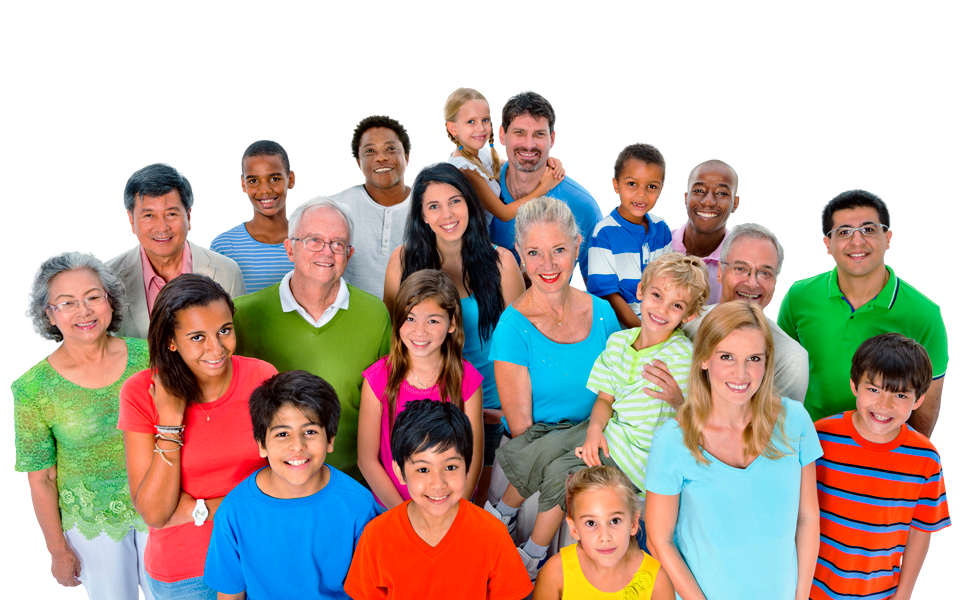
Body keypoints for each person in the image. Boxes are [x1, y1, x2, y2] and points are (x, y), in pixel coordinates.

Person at [492, 253, 709, 577]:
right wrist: (594, 431)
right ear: (641, 291)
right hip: (610, 435)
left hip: (636, 458)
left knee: (563, 475)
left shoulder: (682, 356)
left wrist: (678, 400)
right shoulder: (619, 342)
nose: (662, 310)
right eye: (657, 296)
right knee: (546, 443)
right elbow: (605, 398)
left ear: (688, 314)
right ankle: (500, 515)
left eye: (676, 305)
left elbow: (703, 419)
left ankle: (531, 557)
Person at [645, 302, 822, 600]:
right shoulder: (672, 440)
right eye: (726, 357)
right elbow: (659, 540)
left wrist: (800, 596)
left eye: (754, 358)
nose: (741, 374)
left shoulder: (795, 420)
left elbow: (807, 518)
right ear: (704, 359)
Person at [118, 274, 278, 600]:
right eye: (197, 337)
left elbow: (285, 478)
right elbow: (155, 513)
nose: (216, 348)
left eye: (224, 330)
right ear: (171, 341)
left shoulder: (262, 377)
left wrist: (199, 509)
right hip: (188, 572)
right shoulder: (141, 392)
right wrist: (170, 423)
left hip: (262, 554)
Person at [484, 197, 620, 564]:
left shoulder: (603, 314)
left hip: (597, 466)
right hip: (532, 474)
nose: (547, 265)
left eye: (558, 249)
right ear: (519, 253)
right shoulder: (513, 329)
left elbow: (620, 395)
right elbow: (526, 434)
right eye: (534, 253)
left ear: (577, 245)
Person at [14, 250, 153, 599]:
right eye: (67, 303)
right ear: (49, 313)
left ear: (110, 300)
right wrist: (57, 550)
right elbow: (42, 478)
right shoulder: (32, 388)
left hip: (160, 504)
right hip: (93, 523)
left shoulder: (150, 358)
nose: (84, 311)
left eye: (93, 297)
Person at [383, 162, 524, 505]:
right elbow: (394, 341)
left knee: (482, 509)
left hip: (492, 411)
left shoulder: (501, 263)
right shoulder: (403, 262)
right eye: (434, 206)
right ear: (422, 215)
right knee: (434, 507)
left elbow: (523, 346)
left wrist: (509, 411)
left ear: (470, 204)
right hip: (424, 411)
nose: (447, 214)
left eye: (455, 201)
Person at [232, 197, 391, 481]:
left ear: (349, 255)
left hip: (354, 484)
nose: (327, 252)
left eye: (338, 244)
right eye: (314, 240)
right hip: (269, 484)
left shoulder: (375, 314)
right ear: (289, 248)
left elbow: (390, 406)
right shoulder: (242, 315)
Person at [777, 189, 947, 436]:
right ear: (828, 244)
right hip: (807, 440)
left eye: (868, 229)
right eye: (844, 232)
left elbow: (926, 401)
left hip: (880, 448)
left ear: (888, 237)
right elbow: (780, 371)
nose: (857, 242)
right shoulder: (798, 296)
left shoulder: (925, 314)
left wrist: (907, 454)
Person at [204, 370, 380, 599]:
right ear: (262, 444)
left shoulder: (360, 506)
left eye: (310, 431)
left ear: (330, 440)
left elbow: (372, 590)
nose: (297, 445)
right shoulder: (234, 512)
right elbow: (230, 594)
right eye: (282, 434)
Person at [344, 400, 534, 600]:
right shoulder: (375, 537)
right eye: (423, 469)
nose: (438, 483)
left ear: (467, 468)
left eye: (450, 467)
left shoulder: (493, 535)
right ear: (400, 472)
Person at [811, 333, 950, 600]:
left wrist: (904, 593)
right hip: (811, 589)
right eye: (874, 389)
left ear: (918, 399)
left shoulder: (926, 459)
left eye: (900, 394)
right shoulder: (820, 437)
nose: (884, 405)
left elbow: (920, 531)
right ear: (854, 385)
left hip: (880, 594)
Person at [358, 270, 484, 508]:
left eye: (433, 321)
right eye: (410, 318)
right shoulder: (378, 378)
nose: (420, 331)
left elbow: (474, 457)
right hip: (393, 508)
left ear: (452, 323)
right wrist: (404, 516)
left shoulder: (467, 379)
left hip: (452, 506)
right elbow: (367, 460)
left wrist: (454, 510)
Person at [668, 222, 809, 404]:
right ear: (720, 272)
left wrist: (680, 404)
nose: (752, 283)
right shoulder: (682, 321)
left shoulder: (790, 359)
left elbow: (780, 421)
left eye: (765, 273)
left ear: (775, 282)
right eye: (740, 269)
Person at [108, 161, 246, 338]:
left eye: (171, 214)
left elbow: (241, 342)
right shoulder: (109, 277)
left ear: (188, 216)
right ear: (132, 221)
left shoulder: (227, 272)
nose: (162, 227)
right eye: (149, 215)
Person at [487, 90, 603, 286]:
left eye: (539, 134)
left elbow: (598, 288)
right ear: (502, 135)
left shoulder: (582, 206)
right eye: (519, 132)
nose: (529, 145)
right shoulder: (483, 190)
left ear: (552, 138)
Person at [532, 466, 676, 600]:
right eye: (591, 523)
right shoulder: (555, 573)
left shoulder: (658, 581)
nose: (605, 537)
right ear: (574, 528)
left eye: (615, 521)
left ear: (633, 523)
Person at [442, 86, 567, 227]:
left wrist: (548, 161)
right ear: (453, 128)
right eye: (471, 121)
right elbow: (504, 213)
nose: (481, 128)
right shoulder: (466, 169)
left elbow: (516, 162)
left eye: (485, 120)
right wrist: (545, 187)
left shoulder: (481, 155)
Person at [588, 142, 674, 329]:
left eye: (651, 186)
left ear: (661, 188)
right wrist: (642, 333)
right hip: (621, 327)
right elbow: (608, 295)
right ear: (616, 185)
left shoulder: (661, 228)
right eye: (632, 184)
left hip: (660, 319)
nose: (641, 194)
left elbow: (670, 282)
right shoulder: (603, 233)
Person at [330, 112, 414, 299]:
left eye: (391, 148)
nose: (381, 158)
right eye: (370, 151)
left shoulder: (430, 206)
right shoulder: (336, 207)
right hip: (351, 313)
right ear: (359, 162)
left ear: (407, 156)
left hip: (414, 314)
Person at [210, 138, 296, 293]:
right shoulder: (223, 247)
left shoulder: (311, 243)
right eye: (254, 180)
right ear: (243, 184)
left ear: (290, 179)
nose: (265, 190)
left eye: (274, 179)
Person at [670, 158, 740, 304]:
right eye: (698, 191)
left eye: (722, 193)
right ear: (686, 198)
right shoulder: (657, 244)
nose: (708, 202)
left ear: (735, 203)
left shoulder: (738, 264)